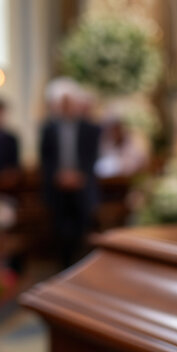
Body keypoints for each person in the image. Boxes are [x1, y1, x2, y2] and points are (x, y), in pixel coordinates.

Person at [39, 79, 101, 267]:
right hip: (57, 188)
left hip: (82, 186)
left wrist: (79, 176)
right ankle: (63, 266)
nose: (66, 106)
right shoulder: (49, 129)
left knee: (82, 229)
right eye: (63, 102)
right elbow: (45, 159)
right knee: (60, 230)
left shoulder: (90, 128)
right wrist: (58, 176)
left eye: (70, 102)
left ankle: (81, 266)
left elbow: (92, 158)